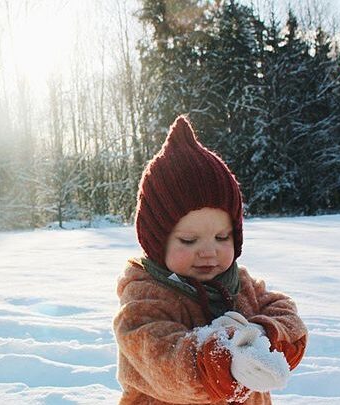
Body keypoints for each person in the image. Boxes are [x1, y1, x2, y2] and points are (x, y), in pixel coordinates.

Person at [113, 116, 307, 404]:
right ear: (157, 242)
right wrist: (223, 360)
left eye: (221, 237)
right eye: (189, 241)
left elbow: (286, 315)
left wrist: (262, 335)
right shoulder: (144, 298)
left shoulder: (240, 284)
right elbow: (161, 358)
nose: (208, 252)